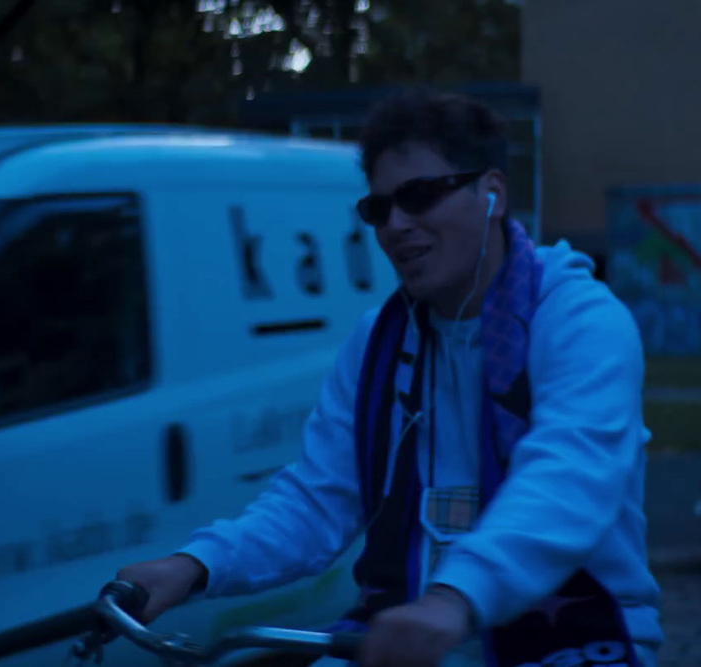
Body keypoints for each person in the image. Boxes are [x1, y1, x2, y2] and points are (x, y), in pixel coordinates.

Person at [114, 89, 662, 667]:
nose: (397, 225)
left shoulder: (580, 319)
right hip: (408, 634)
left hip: (572, 638)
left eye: (419, 197)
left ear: (492, 193)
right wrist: (196, 565)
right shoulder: (380, 340)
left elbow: (568, 477)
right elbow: (318, 499)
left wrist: (454, 598)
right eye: (378, 210)